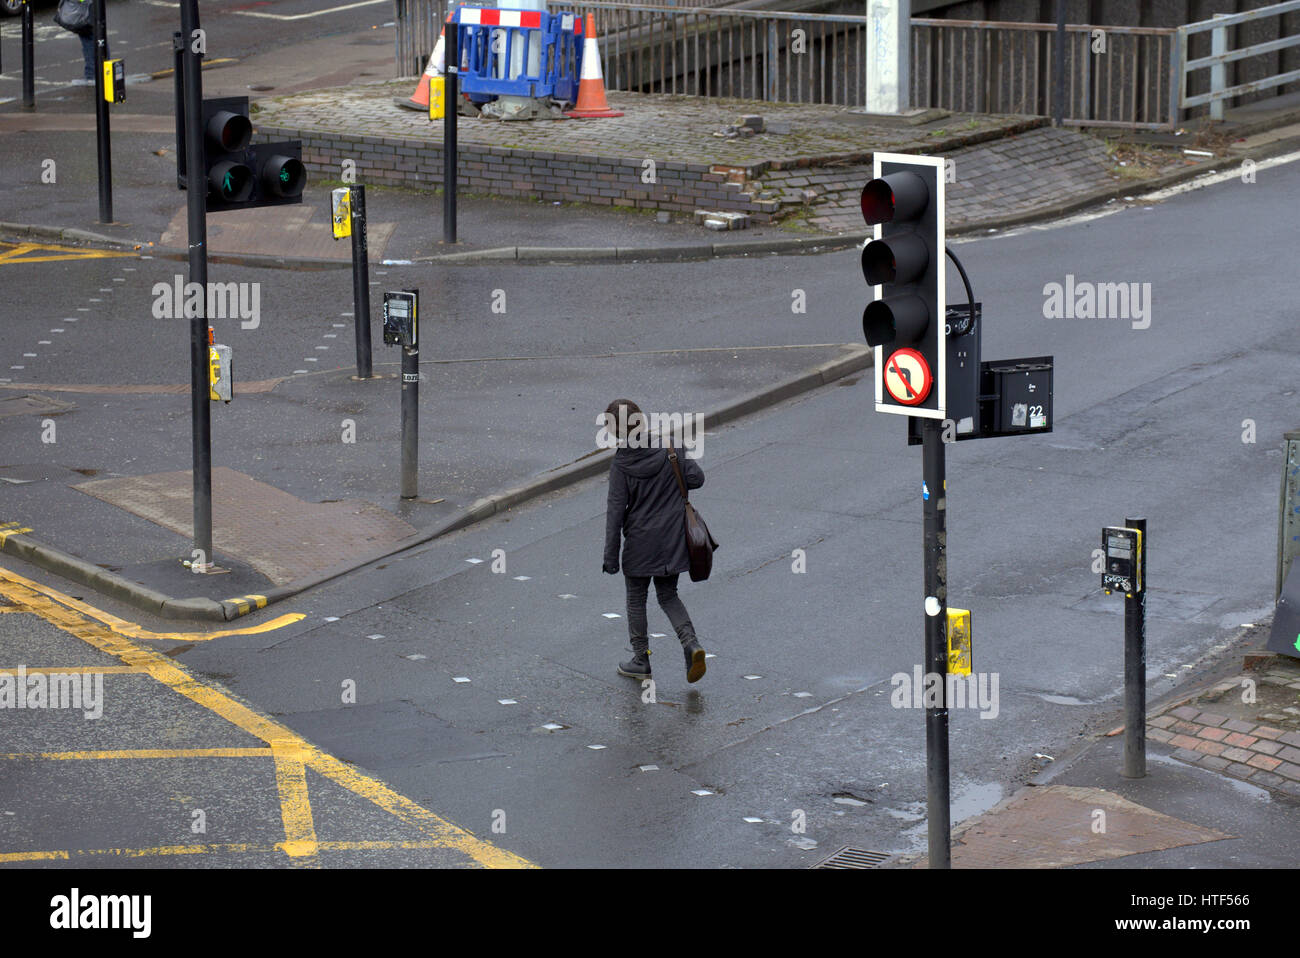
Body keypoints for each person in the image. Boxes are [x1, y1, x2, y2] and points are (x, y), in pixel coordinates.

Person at [602, 398, 707, 684]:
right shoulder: (671, 448)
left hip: (639, 543)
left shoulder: (621, 464)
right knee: (668, 595)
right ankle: (691, 644)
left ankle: (641, 658)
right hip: (673, 538)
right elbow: (697, 479)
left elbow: (614, 512)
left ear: (615, 432)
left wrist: (611, 557)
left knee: (636, 599)